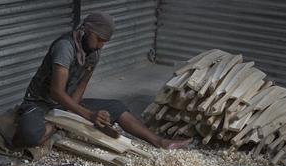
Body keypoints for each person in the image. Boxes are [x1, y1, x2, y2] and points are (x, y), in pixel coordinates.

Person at [14, 12, 191, 150]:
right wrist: (87, 115)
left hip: (64, 104)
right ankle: (55, 125)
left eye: (104, 42)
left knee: (117, 107)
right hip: (40, 103)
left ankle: (160, 141)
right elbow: (56, 92)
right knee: (30, 136)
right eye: (98, 39)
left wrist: (71, 112)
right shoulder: (65, 47)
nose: (100, 46)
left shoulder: (93, 52)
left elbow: (81, 85)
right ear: (87, 30)